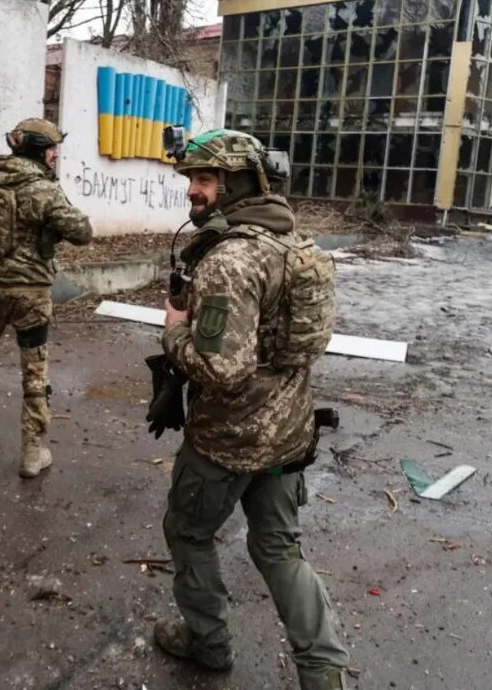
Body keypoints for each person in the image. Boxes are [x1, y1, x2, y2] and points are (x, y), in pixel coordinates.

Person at [148, 128, 351, 689]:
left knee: (188, 534)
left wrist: (173, 333)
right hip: (288, 432)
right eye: (192, 178)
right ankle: (325, 671)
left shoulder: (232, 261)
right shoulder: (299, 247)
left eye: (206, 179)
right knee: (279, 547)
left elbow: (222, 369)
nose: (194, 189)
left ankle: (207, 642)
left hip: (229, 441)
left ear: (238, 184)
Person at [0, 118, 93, 478]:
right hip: (29, 294)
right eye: (52, 149)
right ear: (39, 149)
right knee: (34, 371)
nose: (55, 155)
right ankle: (32, 456)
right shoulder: (42, 189)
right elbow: (83, 232)